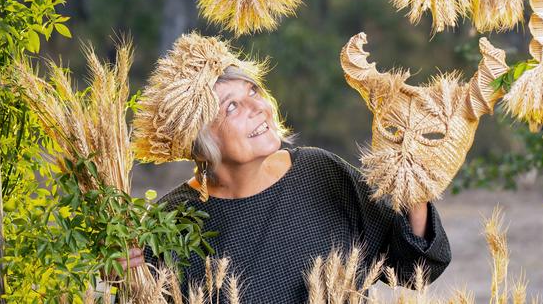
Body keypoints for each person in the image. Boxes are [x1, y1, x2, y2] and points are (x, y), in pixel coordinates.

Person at [124, 33, 451, 302]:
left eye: (253, 90)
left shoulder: (320, 171)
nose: (257, 107)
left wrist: (415, 194)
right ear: (199, 139)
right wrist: (125, 278)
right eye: (232, 107)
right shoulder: (170, 221)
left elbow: (416, 268)